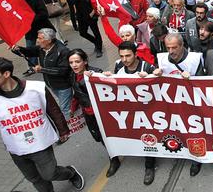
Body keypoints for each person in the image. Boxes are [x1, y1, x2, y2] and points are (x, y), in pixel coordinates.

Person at [0, 57, 85, 191]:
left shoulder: (35, 88)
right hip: (16, 148)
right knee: (35, 179)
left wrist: (63, 130)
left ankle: (70, 173)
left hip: (41, 144)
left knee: (49, 174)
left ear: (6, 74)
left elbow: (53, 109)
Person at [103, 42, 158, 184]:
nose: (124, 59)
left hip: (147, 110)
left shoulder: (147, 67)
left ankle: (149, 166)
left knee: (147, 137)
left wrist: (153, 75)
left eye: (128, 56)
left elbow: (160, 85)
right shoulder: (119, 67)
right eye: (121, 56)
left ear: (136, 54)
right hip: (129, 110)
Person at [68, 49, 121, 177]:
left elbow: (109, 87)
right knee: (98, 137)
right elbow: (76, 93)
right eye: (71, 62)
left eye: (77, 61)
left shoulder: (95, 73)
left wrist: (97, 77)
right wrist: (72, 108)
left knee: (106, 136)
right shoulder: (72, 75)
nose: (74, 65)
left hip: (102, 112)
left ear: (85, 61)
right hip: (89, 113)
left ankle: (114, 159)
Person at [12, 28, 73, 119]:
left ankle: (70, 127)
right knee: (68, 104)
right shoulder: (42, 49)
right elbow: (28, 51)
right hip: (52, 85)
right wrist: (17, 49)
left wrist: (43, 69)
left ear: (48, 40)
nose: (37, 40)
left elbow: (63, 70)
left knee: (65, 109)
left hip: (64, 86)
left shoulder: (62, 51)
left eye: (40, 38)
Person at [13, 0, 56, 67]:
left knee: (50, 46)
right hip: (30, 30)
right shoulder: (16, 2)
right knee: (29, 48)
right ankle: (33, 67)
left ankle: (53, 62)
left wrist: (29, 19)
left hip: (43, 28)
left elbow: (44, 14)